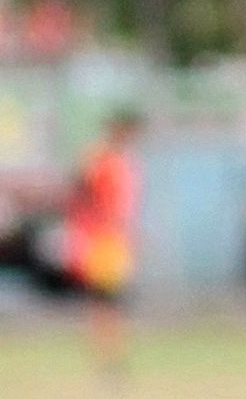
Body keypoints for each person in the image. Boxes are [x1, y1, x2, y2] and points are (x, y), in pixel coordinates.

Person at [65, 111, 146, 389]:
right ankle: (107, 361)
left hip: (115, 240)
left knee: (112, 302)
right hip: (101, 240)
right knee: (105, 301)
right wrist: (87, 227)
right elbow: (81, 191)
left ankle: (112, 359)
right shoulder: (99, 159)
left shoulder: (122, 161)